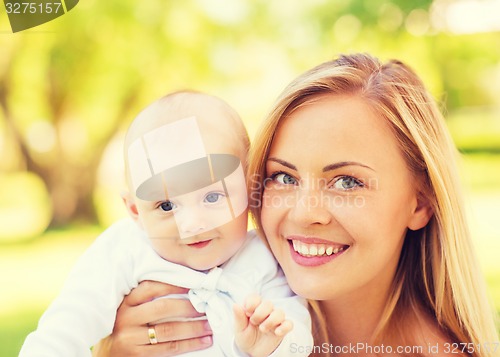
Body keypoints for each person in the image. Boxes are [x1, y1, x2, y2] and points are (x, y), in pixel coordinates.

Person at [93, 54, 499, 357]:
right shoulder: (192, 296)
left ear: (420, 203)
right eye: (283, 177)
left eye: (346, 182)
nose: (305, 213)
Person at [20, 91, 313, 357]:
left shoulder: (263, 257)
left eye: (212, 196)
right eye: (166, 205)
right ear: (135, 211)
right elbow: (65, 327)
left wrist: (274, 344)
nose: (192, 224)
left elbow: (299, 338)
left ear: (250, 188)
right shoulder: (124, 250)